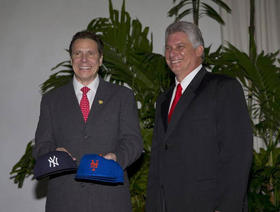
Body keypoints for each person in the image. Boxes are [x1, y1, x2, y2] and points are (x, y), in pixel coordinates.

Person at [146, 21, 253, 212]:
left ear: (199, 50)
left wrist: (227, 207)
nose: (172, 54)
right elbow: (158, 158)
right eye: (168, 48)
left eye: (180, 47)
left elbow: (238, 154)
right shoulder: (164, 99)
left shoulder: (222, 87)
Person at [33, 30, 143, 212]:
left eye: (90, 53)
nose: (84, 60)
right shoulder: (51, 100)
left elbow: (133, 142)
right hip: (64, 201)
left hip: (110, 200)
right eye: (78, 53)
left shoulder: (122, 96)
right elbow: (41, 146)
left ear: (100, 60)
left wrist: (116, 158)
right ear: (71, 60)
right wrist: (54, 153)